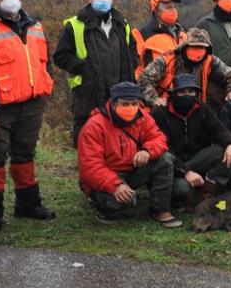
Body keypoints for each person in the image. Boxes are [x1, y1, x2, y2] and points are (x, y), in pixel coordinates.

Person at [0, 0, 56, 231]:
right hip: (0, 106)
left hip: (32, 103)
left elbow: (44, 62)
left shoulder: (35, 27)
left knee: (25, 153)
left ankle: (28, 205)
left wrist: (46, 85)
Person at [77, 82, 181, 227]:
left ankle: (160, 209)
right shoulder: (94, 125)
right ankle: (99, 204)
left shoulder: (143, 117)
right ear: (113, 103)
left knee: (165, 158)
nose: (130, 108)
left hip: (133, 169)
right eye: (125, 104)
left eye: (134, 103)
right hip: (109, 173)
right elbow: (89, 166)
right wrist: (115, 186)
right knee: (115, 203)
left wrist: (147, 150)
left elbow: (159, 139)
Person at [53, 0, 137, 146]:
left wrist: (131, 65)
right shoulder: (75, 25)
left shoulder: (122, 24)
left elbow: (133, 51)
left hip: (119, 90)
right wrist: (83, 67)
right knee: (88, 137)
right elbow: (61, 56)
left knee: (121, 136)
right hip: (88, 91)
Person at [151, 73, 231, 206]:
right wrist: (185, 172)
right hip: (170, 165)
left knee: (223, 151)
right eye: (182, 92)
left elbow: (220, 129)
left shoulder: (202, 108)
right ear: (173, 93)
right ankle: (180, 195)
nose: (187, 95)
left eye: (191, 91)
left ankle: (208, 193)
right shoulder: (159, 113)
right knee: (182, 190)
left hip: (195, 159)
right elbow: (163, 149)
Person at [139, 27, 231, 107]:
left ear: (207, 50)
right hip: (167, 108)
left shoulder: (210, 60)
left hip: (197, 108)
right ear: (185, 47)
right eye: (193, 47)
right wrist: (155, 100)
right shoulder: (167, 60)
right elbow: (144, 80)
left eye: (201, 47)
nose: (197, 51)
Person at [135, 0, 187, 74]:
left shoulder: (183, 32)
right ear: (156, 11)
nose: (173, 10)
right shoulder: (143, 34)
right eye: (168, 7)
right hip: (155, 85)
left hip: (183, 84)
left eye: (174, 7)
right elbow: (136, 67)